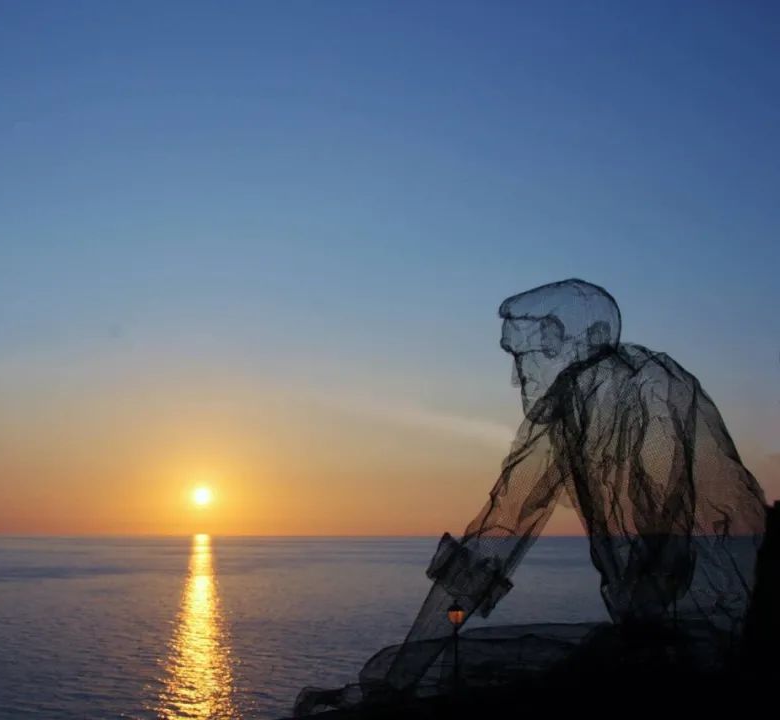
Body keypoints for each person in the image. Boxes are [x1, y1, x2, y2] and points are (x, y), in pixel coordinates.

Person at [296, 279, 767, 715]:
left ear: (566, 343)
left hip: (704, 645)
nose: (517, 378)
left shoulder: (649, 388)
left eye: (525, 357)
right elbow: (497, 532)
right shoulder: (565, 411)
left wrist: (397, 685)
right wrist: (400, 681)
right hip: (661, 640)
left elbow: (666, 540)